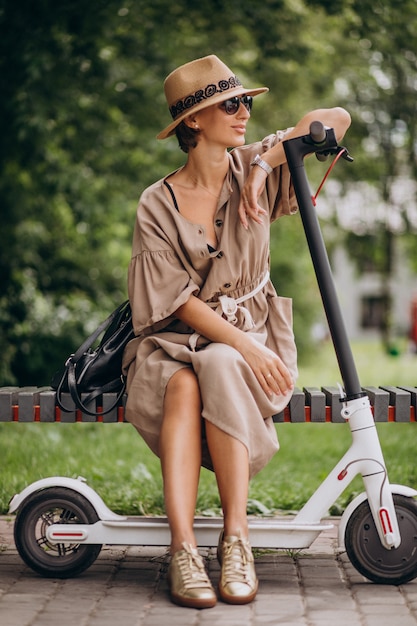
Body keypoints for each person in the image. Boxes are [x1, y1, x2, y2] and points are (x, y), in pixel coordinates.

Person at [122, 54, 351, 609]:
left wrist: (264, 166)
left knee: (221, 364)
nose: (245, 111)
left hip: (249, 340)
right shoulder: (157, 201)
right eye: (231, 104)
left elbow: (337, 118)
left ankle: (236, 540)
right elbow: (172, 301)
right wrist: (243, 343)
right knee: (185, 380)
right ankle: (182, 551)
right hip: (174, 343)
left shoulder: (257, 165)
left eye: (246, 100)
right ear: (193, 121)